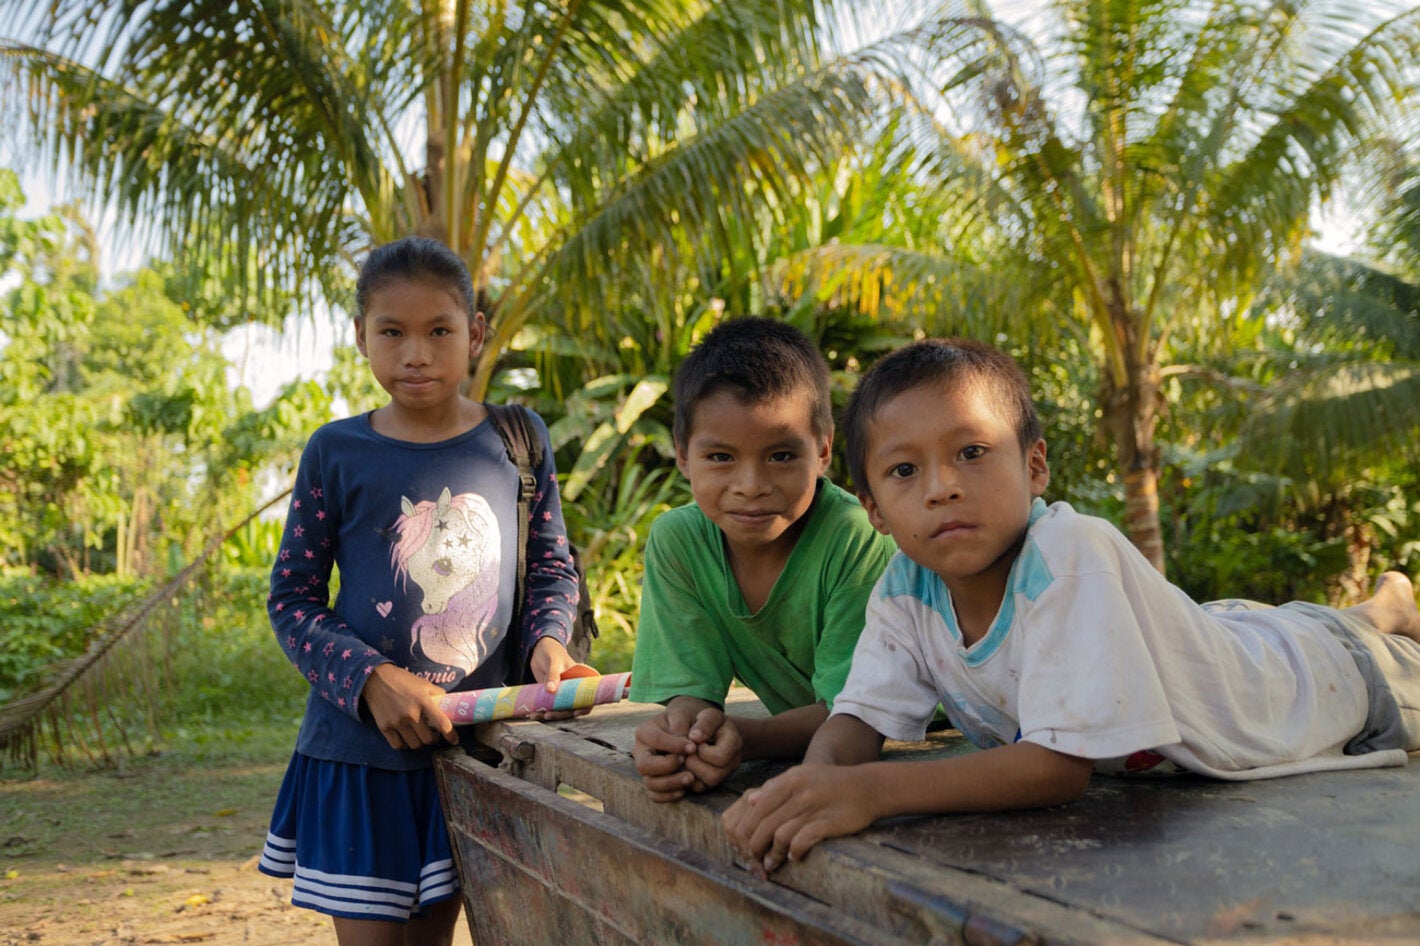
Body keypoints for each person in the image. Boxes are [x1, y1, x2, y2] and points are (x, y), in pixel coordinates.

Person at [722, 337, 1420, 875]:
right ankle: (1384, 603)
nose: (941, 488)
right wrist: (810, 786)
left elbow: (1056, 767)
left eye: (971, 451)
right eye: (905, 470)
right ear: (873, 508)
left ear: (1034, 467)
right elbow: (858, 718)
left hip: (1326, 685)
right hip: (1225, 637)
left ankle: (1381, 616)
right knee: (1270, 629)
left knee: (1326, 641)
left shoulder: (1068, 553)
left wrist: (870, 793)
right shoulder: (906, 589)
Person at [257, 236, 582, 946]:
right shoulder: (336, 451)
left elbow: (553, 567)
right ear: (360, 337)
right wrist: (371, 680)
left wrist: (550, 645)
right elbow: (292, 597)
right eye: (392, 332)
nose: (417, 352)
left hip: (475, 752)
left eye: (439, 330)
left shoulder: (516, 439)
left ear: (476, 333)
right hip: (360, 759)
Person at [630, 316, 897, 801]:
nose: (751, 486)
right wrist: (680, 739)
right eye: (721, 458)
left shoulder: (853, 536)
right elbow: (692, 691)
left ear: (823, 450)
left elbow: (858, 714)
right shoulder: (679, 542)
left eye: (780, 456)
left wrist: (744, 738)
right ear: (683, 456)